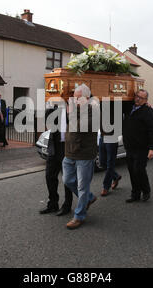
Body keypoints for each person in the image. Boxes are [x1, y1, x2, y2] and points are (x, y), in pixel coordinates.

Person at [62, 84, 98, 230]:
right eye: (74, 97)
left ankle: (79, 216)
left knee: (82, 187)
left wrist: (72, 112)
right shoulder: (74, 109)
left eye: (78, 98)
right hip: (70, 151)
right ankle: (89, 198)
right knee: (67, 180)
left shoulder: (93, 110)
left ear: (87, 98)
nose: (75, 100)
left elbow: (81, 126)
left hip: (84, 154)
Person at [123, 89, 153, 203]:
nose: (137, 99)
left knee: (139, 170)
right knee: (132, 170)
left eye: (141, 98)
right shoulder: (128, 107)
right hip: (129, 146)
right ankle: (135, 194)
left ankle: (146, 190)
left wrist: (152, 148)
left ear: (146, 100)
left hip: (142, 148)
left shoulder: (148, 111)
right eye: (137, 96)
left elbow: (152, 130)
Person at [39, 103, 73, 216]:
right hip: (54, 145)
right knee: (50, 175)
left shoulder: (73, 106)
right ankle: (53, 204)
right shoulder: (54, 106)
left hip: (67, 146)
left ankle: (67, 205)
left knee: (67, 178)